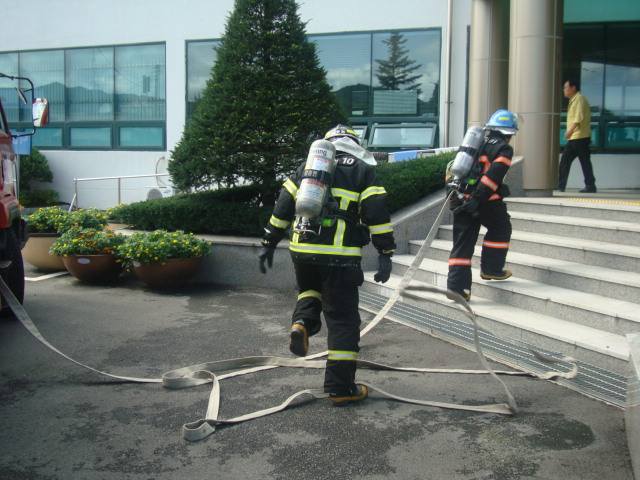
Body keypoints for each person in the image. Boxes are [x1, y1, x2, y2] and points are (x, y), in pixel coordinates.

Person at [258, 125, 396, 406]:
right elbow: (376, 212)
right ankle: (340, 388)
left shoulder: (308, 167)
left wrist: (269, 241)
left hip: (302, 250)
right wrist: (385, 252)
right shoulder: (362, 170)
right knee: (343, 320)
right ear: (354, 144)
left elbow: (284, 203)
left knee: (309, 291)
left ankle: (302, 324)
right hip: (339, 256)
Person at [446, 109, 518, 301]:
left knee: (462, 243)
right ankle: (491, 269)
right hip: (485, 202)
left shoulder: (475, 144)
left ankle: (456, 289)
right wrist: (477, 198)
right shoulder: (503, 149)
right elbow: (493, 177)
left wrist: (460, 198)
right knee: (501, 228)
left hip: (461, 198)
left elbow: (454, 170)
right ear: (509, 134)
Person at [558, 79, 597, 193]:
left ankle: (590, 186)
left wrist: (569, 131)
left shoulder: (579, 99)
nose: (564, 90)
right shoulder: (574, 100)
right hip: (575, 138)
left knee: (583, 162)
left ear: (573, 88)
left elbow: (578, 118)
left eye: (566, 87)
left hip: (580, 137)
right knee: (565, 161)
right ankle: (561, 186)